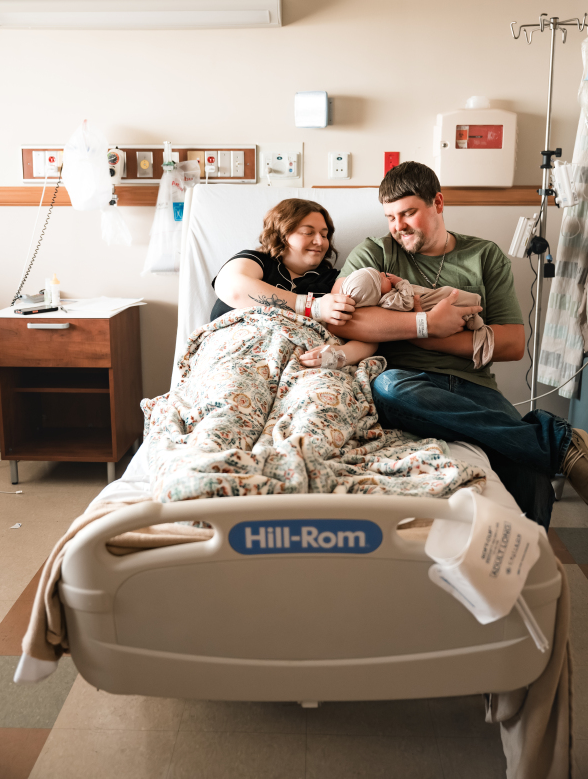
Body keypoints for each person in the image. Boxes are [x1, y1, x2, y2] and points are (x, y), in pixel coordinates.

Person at [333, 160, 588, 529]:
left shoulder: (484, 256)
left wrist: (439, 339)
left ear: (437, 202)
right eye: (390, 217)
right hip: (409, 381)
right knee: (386, 387)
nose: (397, 226)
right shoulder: (375, 253)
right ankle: (558, 443)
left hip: (474, 386)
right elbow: (342, 317)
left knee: (532, 480)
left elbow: (513, 343)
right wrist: (425, 325)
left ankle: (526, 577)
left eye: (407, 213)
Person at [211, 198, 377, 368]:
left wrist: (339, 355)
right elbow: (231, 288)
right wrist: (314, 307)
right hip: (238, 356)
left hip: (304, 367)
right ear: (282, 234)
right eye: (308, 232)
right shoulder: (258, 262)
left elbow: (369, 332)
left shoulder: (334, 281)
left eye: (324, 235)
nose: (320, 241)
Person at [338, 267, 493, 369]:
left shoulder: (386, 298)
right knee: (446, 294)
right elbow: (407, 302)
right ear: (374, 293)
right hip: (426, 309)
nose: (383, 274)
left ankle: (471, 315)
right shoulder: (388, 300)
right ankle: (472, 317)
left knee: (447, 296)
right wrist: (401, 283)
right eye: (380, 279)